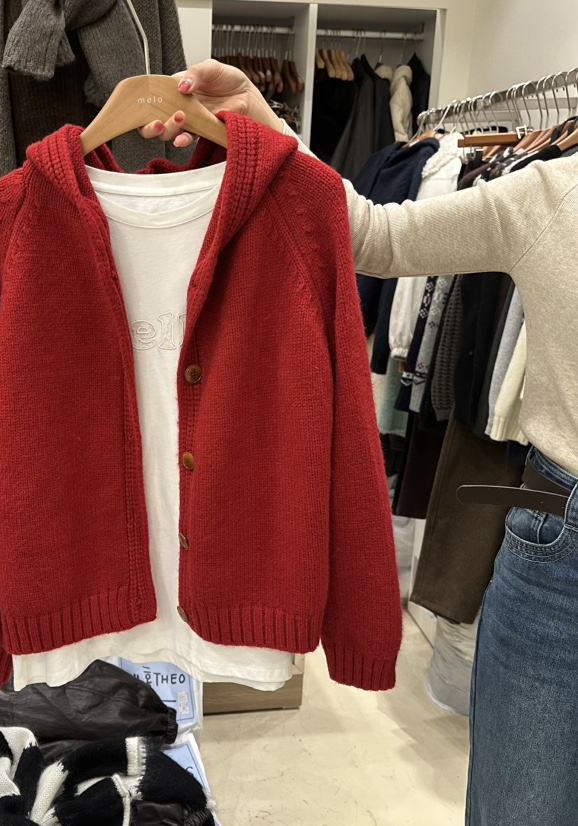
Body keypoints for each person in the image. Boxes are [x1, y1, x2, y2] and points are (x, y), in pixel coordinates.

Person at [139, 59, 578, 826]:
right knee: (519, 810)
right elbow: (375, 234)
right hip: (557, 549)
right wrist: (268, 130)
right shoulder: (553, 192)